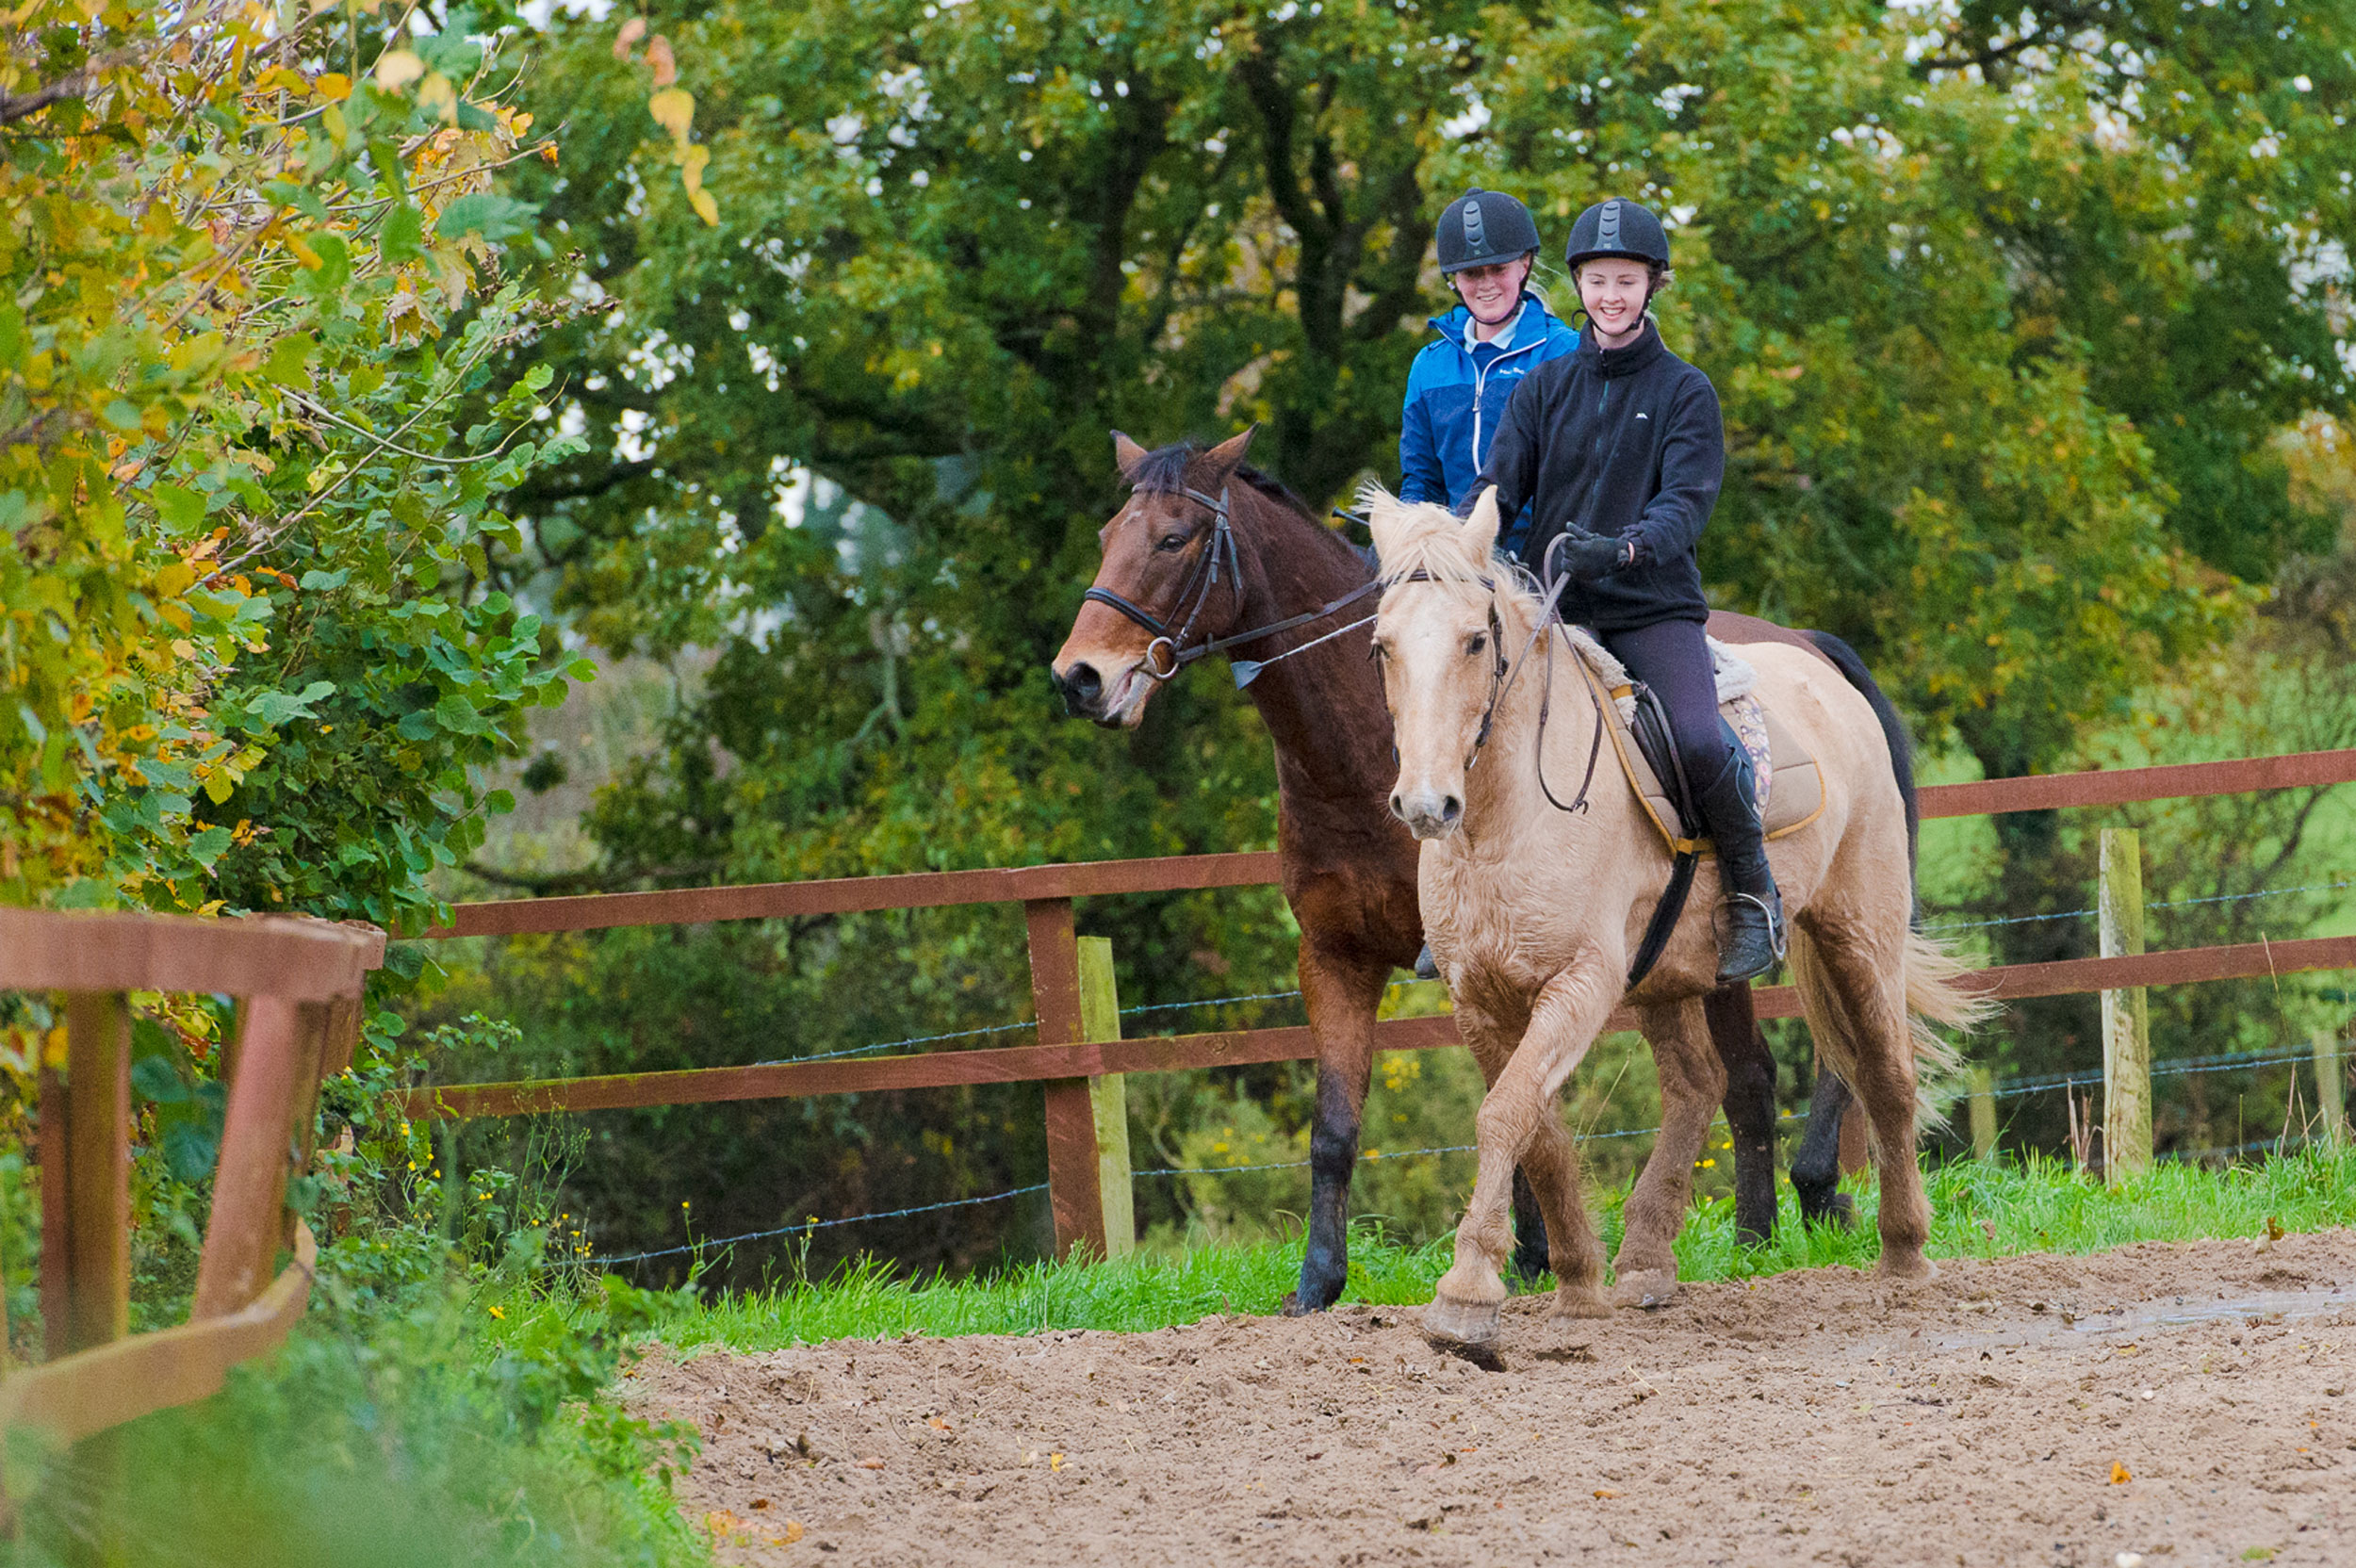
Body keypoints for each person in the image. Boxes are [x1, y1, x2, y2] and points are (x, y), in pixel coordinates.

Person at [1466, 197, 1783, 983]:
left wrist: (1626, 546)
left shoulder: (1685, 390)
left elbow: (1686, 503)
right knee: (1464, 720)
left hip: (1651, 609)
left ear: (1652, 287)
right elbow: (1497, 486)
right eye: (1599, 280)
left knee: (1702, 740)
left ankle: (1754, 894)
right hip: (1555, 607)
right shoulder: (1542, 389)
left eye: (1627, 281)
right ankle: (1456, 907)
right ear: (1579, 285)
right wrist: (1453, 541)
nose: (1612, 296)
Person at [1398, 188, 1579, 555]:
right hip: (1457, 561)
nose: (1486, 285)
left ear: (1524, 265)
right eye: (1471, 274)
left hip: (1546, 556)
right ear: (1453, 279)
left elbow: (1578, 475)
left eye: (1498, 269)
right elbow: (1422, 481)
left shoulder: (1565, 352)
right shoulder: (1430, 366)